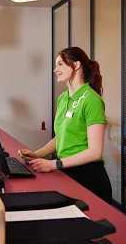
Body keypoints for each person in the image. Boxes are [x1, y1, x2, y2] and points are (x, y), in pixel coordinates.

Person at [20, 47, 112, 203]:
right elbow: (61, 137)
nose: (55, 70)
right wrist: (37, 154)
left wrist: (54, 164)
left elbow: (95, 152)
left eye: (60, 64)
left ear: (76, 65)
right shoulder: (63, 98)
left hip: (89, 178)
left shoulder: (91, 99)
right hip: (67, 171)